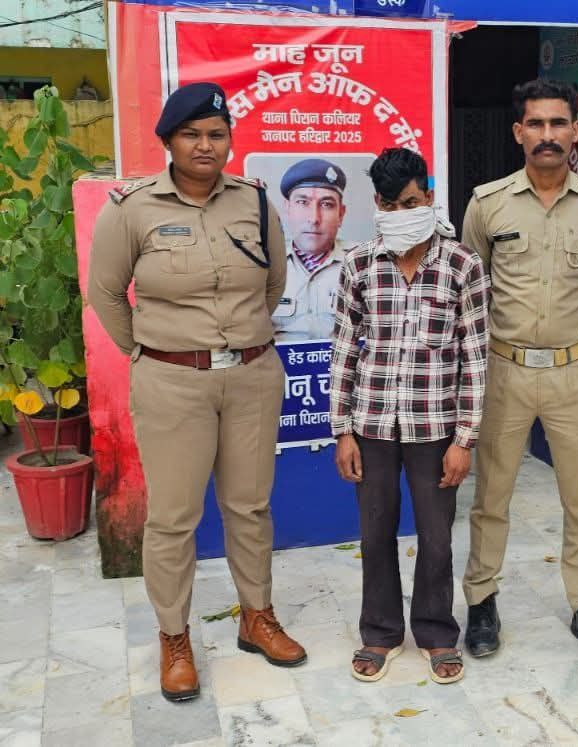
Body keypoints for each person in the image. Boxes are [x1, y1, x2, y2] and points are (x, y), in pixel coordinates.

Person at [88, 82, 307, 703]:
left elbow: (273, 283)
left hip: (252, 376)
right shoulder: (131, 208)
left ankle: (256, 617)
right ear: (169, 141)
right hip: (172, 383)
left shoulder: (255, 202)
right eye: (191, 134)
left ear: (229, 141)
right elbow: (105, 292)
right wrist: (150, 351)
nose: (205, 145)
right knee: (173, 518)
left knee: (250, 506)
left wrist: (241, 340)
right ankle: (174, 637)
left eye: (216, 134)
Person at [461, 79, 578, 666]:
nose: (547, 135)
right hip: (505, 372)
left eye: (558, 123)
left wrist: (574, 328)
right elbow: (471, 293)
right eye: (535, 124)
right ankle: (481, 601)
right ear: (519, 133)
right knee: (491, 497)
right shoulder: (487, 204)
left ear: (575, 132)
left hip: (573, 374)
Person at [330, 147, 489, 685]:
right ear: (377, 204)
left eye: (413, 203)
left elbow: (475, 357)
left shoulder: (462, 265)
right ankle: (379, 632)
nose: (403, 213)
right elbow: (344, 350)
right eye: (392, 205)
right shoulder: (358, 263)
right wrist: (342, 430)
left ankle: (437, 631)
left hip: (436, 426)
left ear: (430, 198)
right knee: (375, 532)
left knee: (436, 535)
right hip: (372, 423)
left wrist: (465, 439)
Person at [272, 157, 348, 340]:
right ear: (287, 209)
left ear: (341, 214)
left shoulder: (363, 264)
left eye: (326, 204)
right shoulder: (265, 265)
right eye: (302, 202)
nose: (314, 218)